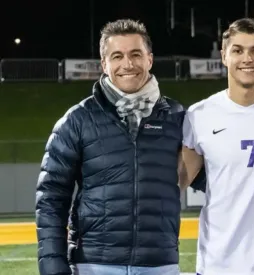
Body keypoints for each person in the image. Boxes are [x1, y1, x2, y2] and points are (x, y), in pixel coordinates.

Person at [35, 19, 202, 275]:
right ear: (104, 64)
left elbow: (211, 179)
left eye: (136, 54)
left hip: (159, 265)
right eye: (117, 56)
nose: (127, 64)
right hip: (93, 264)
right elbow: (50, 198)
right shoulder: (78, 119)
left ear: (149, 59)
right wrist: (53, 264)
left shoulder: (178, 117)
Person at [178, 18, 254, 275]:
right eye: (238, 50)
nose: (248, 58)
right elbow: (175, 182)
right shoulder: (199, 115)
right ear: (224, 56)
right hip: (217, 263)